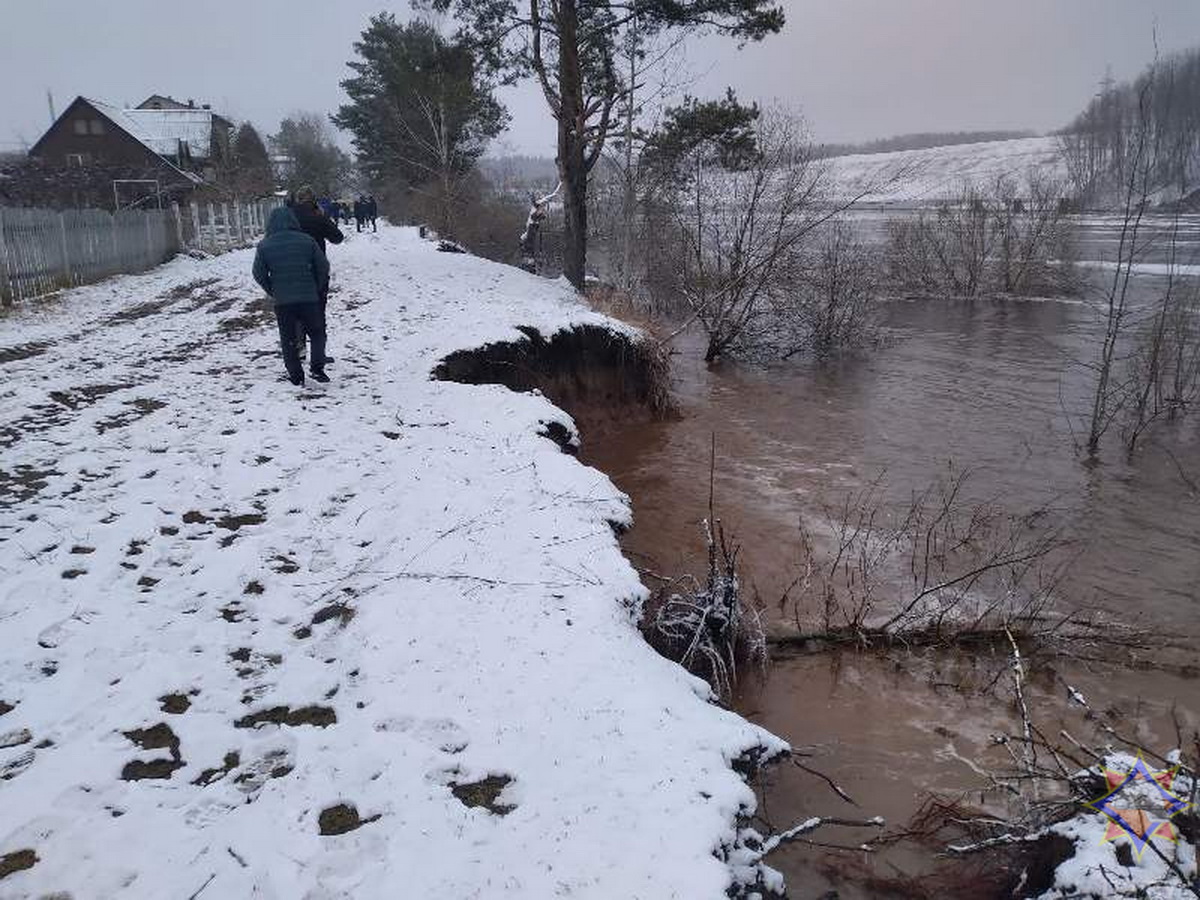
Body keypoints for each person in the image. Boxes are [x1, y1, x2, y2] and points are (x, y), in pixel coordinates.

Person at [252, 207, 330, 386]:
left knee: (288, 337)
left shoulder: (265, 245)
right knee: (317, 333)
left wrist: (272, 290)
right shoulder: (307, 241)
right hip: (309, 298)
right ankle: (317, 368)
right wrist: (316, 287)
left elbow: (258, 273)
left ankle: (296, 375)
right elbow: (323, 267)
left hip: (283, 301)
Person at [289, 186, 344, 364]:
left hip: (293, 271)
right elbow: (337, 237)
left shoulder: (288, 217)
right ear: (313, 200)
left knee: (297, 311)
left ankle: (299, 346)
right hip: (316, 271)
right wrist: (323, 218)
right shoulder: (317, 217)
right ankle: (319, 353)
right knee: (318, 311)